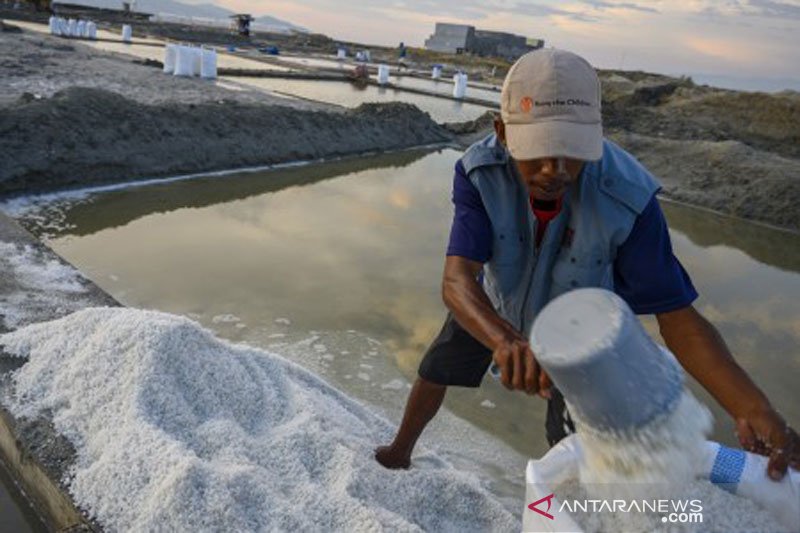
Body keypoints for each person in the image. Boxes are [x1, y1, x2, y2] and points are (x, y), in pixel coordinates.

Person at [374, 48, 799, 479]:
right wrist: (505, 340)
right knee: (435, 369)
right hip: (495, 306)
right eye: (537, 150)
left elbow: (678, 318)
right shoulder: (479, 172)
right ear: (503, 132)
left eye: (572, 151)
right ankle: (400, 450)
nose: (554, 170)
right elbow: (457, 279)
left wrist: (752, 407)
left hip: (582, 332)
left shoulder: (628, 198)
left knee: (577, 441)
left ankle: (574, 503)